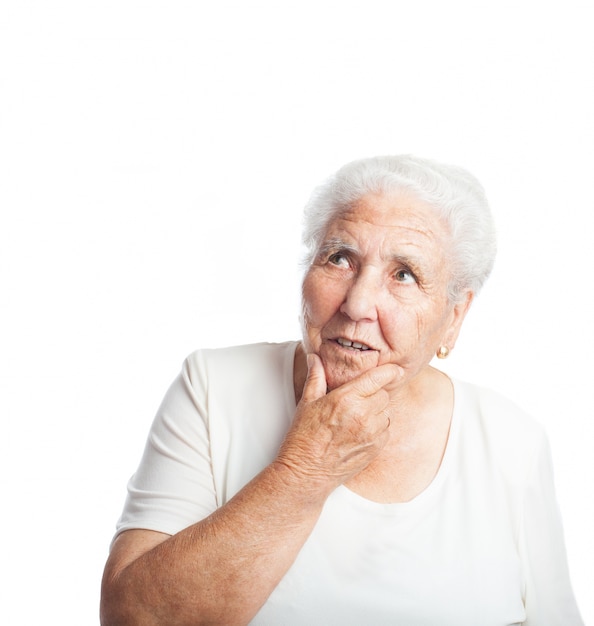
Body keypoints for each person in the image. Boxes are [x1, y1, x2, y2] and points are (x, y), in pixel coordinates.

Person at [100, 155, 583, 625]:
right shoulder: (213, 387)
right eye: (340, 258)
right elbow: (132, 618)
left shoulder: (511, 441)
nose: (357, 303)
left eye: (404, 274)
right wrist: (305, 469)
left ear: (454, 317)